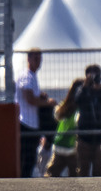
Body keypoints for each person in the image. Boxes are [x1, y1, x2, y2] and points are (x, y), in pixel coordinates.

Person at [14, 48, 56, 177]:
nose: (38, 62)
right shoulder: (27, 76)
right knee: (26, 159)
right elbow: (30, 99)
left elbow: (33, 96)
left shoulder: (33, 76)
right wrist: (48, 103)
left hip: (32, 124)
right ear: (29, 59)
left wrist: (41, 96)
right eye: (35, 58)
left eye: (40, 59)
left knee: (30, 158)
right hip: (26, 123)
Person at [74, 64, 101, 176]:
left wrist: (99, 87)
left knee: (99, 169)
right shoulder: (82, 90)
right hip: (84, 137)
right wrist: (85, 86)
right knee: (83, 170)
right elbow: (77, 100)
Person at [45, 78, 83, 177]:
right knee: (75, 176)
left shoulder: (64, 105)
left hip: (59, 144)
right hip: (73, 147)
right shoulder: (81, 108)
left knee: (52, 174)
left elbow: (56, 115)